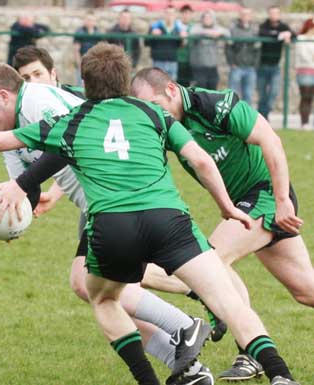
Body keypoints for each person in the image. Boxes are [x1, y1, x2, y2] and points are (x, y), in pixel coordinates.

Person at [0, 43, 301, 385]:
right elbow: (203, 163)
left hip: (112, 224)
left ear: (82, 83)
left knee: (100, 295)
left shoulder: (72, 120)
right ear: (126, 83)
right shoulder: (153, 113)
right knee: (227, 299)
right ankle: (279, 375)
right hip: (167, 218)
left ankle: (164, 362)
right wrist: (227, 207)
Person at [12, 46, 215, 384]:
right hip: (98, 206)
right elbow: (71, 155)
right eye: (25, 78)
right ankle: (188, 356)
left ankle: (184, 325)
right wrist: (32, 201)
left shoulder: (73, 103)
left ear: (54, 75)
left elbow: (71, 149)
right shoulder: (27, 113)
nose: (32, 83)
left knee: (99, 289)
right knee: (93, 287)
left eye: (36, 74)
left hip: (113, 206)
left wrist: (24, 185)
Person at [131, 66, 311, 384]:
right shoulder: (165, 124)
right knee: (305, 290)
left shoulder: (216, 105)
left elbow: (271, 140)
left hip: (265, 194)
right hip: (242, 207)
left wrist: (283, 200)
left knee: (211, 260)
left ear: (171, 90)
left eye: (156, 106)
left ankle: (252, 352)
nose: (154, 114)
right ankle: (251, 351)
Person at [257, 6, 295, 120]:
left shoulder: (283, 26)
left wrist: (288, 35)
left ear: (279, 15)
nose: (274, 15)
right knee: (262, 94)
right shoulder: (263, 26)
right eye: (272, 13)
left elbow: (294, 34)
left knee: (274, 92)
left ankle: (264, 113)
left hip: (275, 66)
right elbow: (263, 33)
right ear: (269, 14)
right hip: (262, 65)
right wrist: (280, 35)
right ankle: (262, 116)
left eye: (276, 13)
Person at [225, 7, 260, 106]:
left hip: (250, 68)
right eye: (243, 14)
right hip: (236, 67)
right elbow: (228, 47)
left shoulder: (254, 30)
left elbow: (257, 49)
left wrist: (254, 64)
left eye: (248, 14)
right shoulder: (233, 29)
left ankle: (246, 119)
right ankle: (230, 117)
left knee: (248, 95)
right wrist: (232, 62)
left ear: (251, 16)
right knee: (231, 94)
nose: (245, 16)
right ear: (240, 15)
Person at [189, 10, 229, 90]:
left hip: (212, 66)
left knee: (212, 91)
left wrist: (219, 33)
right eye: (205, 17)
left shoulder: (217, 28)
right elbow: (192, 32)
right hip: (199, 66)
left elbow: (227, 33)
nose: (207, 19)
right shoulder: (197, 27)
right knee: (200, 91)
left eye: (209, 17)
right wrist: (209, 33)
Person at [145, 6, 182, 81]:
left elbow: (180, 45)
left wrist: (183, 38)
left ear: (175, 15)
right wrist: (152, 34)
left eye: (172, 13)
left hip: (172, 62)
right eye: (167, 13)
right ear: (164, 14)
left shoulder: (178, 28)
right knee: (157, 85)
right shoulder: (155, 26)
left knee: (172, 86)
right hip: (158, 61)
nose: (169, 15)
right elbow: (146, 42)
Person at [294, 17, 314, 130]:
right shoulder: (301, 38)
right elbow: (303, 55)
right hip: (305, 71)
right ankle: (304, 123)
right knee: (306, 97)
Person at [73, 12, 100, 86]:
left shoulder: (98, 33)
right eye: (88, 20)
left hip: (94, 64)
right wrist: (79, 65)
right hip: (82, 62)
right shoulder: (79, 32)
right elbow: (76, 50)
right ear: (84, 20)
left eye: (92, 20)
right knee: (80, 86)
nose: (90, 22)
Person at [175, 5, 194, 87]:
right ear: (181, 14)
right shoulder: (175, 26)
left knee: (186, 85)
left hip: (189, 60)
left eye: (188, 13)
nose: (186, 15)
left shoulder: (193, 27)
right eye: (184, 13)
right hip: (176, 59)